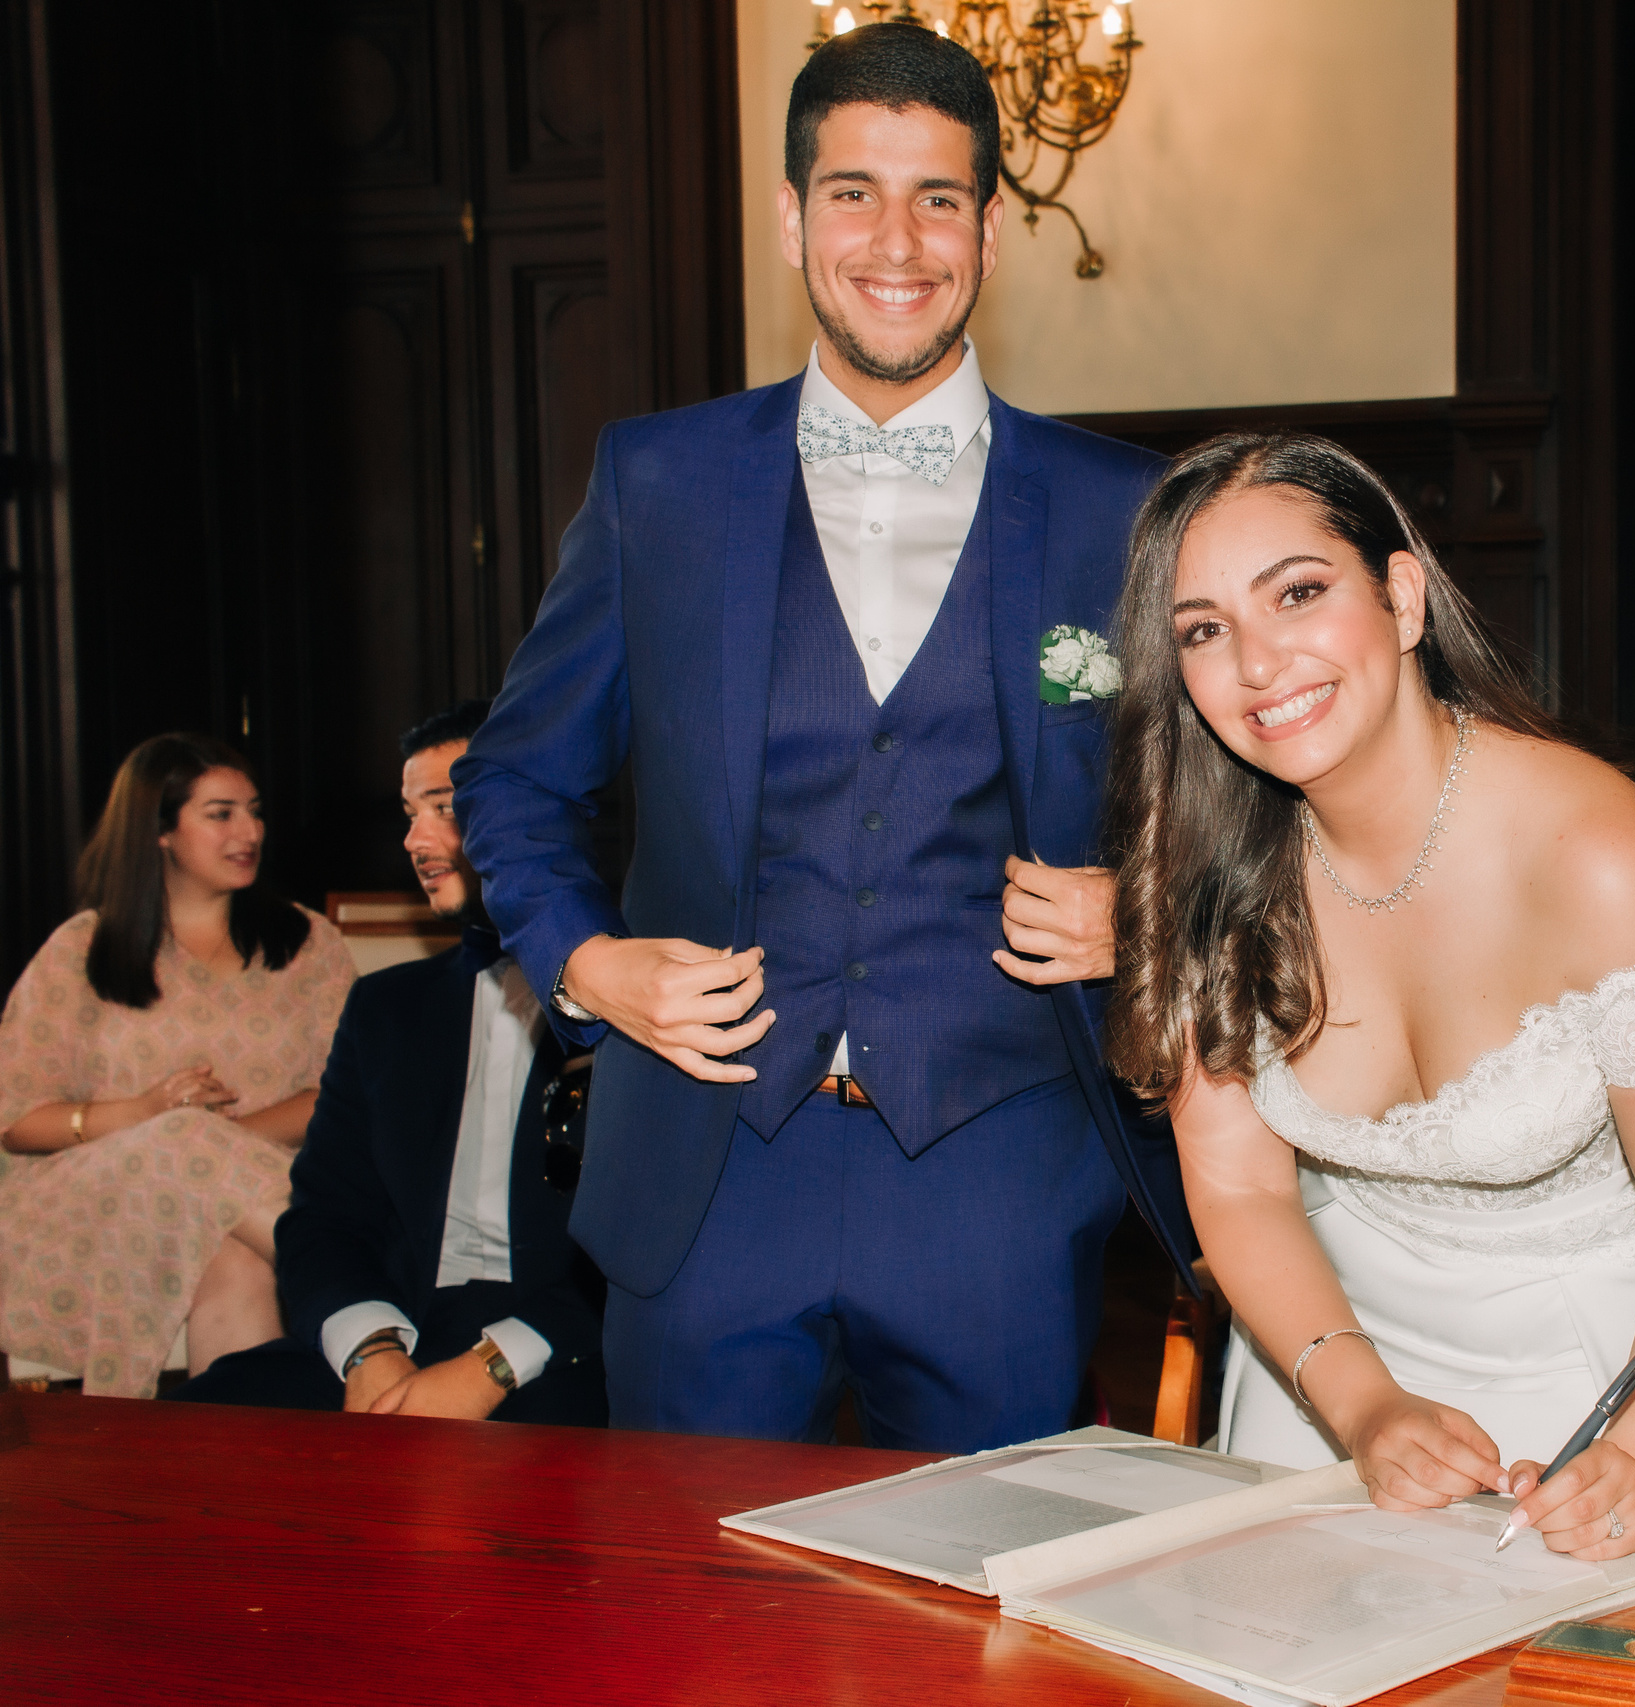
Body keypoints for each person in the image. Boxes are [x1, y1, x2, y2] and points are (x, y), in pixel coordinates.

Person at [451, 21, 1191, 1447]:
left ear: (990, 228)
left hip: (1000, 1174)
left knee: (994, 1633)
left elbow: (1250, 799)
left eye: (939, 197)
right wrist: (591, 965)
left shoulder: (1125, 505)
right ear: (792, 217)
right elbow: (515, 776)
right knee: (692, 1628)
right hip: (713, 1168)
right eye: (854, 190)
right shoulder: (657, 480)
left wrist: (1145, 909)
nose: (896, 239)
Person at [1106, 433, 1635, 1561]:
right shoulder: (1197, 859)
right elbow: (1238, 1192)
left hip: (1617, 1385)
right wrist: (1363, 1405)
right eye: (1205, 631)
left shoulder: (1596, 854)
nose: (1259, 665)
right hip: (1324, 1364)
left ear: (1403, 597)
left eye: (1301, 595)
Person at [173, 703, 609, 1425]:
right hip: (402, 1327)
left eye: (443, 806)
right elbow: (321, 1219)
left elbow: (639, 1244)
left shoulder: (622, 1002)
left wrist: (493, 1365)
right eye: (409, 812)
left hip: (564, 1350)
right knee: (195, 1430)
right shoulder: (386, 1008)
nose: (415, 838)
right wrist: (368, 1347)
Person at [0, 734, 356, 1395]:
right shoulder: (82, 949)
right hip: (88, 1215)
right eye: (221, 813)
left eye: (254, 810)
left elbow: (340, 1092)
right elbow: (17, 1119)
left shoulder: (309, 945)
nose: (249, 830)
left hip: (243, 1201)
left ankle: (225, 1489)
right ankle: (353, 1274)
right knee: (183, 1139)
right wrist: (147, 1116)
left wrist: (207, 1147)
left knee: (232, 1257)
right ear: (159, 830)